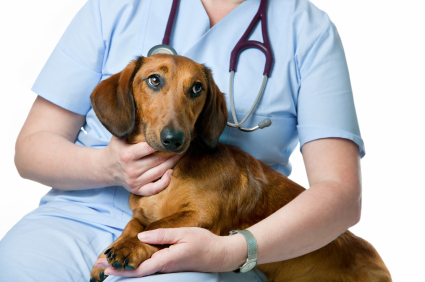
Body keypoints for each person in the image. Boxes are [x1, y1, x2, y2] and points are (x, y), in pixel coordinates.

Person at [0, 0, 365, 281]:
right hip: (77, 216)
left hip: (209, 237)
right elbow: (31, 148)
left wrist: (233, 251)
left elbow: (341, 195)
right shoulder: (115, 6)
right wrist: (107, 167)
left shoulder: (307, 30)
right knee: (16, 267)